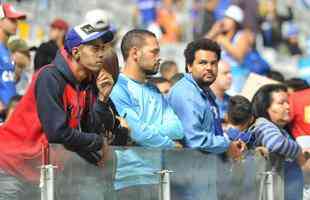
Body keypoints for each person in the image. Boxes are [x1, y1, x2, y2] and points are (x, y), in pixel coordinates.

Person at [0, 22, 118, 199]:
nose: (101, 54)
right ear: (76, 52)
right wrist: (98, 142)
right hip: (10, 165)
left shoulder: (86, 84)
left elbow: (88, 129)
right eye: (94, 48)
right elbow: (57, 132)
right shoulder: (50, 76)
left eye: (102, 48)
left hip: (38, 171)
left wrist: (102, 100)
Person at [168, 38, 245, 200]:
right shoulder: (186, 93)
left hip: (206, 179)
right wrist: (226, 145)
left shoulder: (206, 93)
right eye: (202, 63)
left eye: (213, 63)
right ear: (189, 66)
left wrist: (229, 142)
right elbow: (194, 139)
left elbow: (211, 133)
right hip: (187, 184)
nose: (209, 68)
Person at [110, 29, 184, 197]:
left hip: (158, 177)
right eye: (154, 52)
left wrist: (145, 132)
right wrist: (172, 145)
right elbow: (137, 132)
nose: (159, 57)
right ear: (135, 53)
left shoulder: (153, 89)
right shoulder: (118, 87)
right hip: (130, 180)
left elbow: (177, 128)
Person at [251, 84, 308, 200]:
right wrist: (298, 151)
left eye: (287, 102)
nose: (287, 106)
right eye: (281, 103)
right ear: (265, 107)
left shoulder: (281, 130)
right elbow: (275, 142)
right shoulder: (263, 124)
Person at [207, 5, 252, 94]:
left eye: (228, 18)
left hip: (236, 76)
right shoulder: (219, 34)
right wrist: (213, 32)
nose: (224, 21)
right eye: (225, 17)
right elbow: (200, 47)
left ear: (235, 22)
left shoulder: (242, 36)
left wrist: (224, 42)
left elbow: (239, 56)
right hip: (219, 75)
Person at [0, 3, 26, 114]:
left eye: (17, 20)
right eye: (12, 20)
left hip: (9, 115)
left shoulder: (8, 50)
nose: (16, 24)